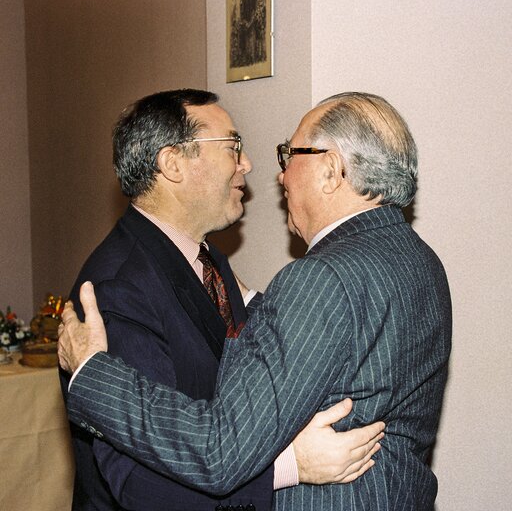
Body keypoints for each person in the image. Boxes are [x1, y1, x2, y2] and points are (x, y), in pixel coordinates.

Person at [59, 91, 451, 510]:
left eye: (289, 154)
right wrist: (290, 465)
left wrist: (93, 375)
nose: (256, 167)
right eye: (233, 147)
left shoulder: (263, 272)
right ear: (172, 164)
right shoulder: (119, 288)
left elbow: (301, 341)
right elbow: (140, 482)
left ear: (333, 172)